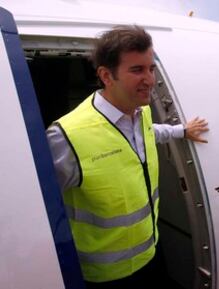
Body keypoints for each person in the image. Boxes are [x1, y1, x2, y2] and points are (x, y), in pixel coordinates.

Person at [46, 25, 208, 288]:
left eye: (151, 68)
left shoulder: (139, 112)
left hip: (150, 252)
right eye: (137, 70)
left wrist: (181, 131)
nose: (150, 79)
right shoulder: (66, 137)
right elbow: (38, 212)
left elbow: (146, 133)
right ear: (106, 76)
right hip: (104, 275)